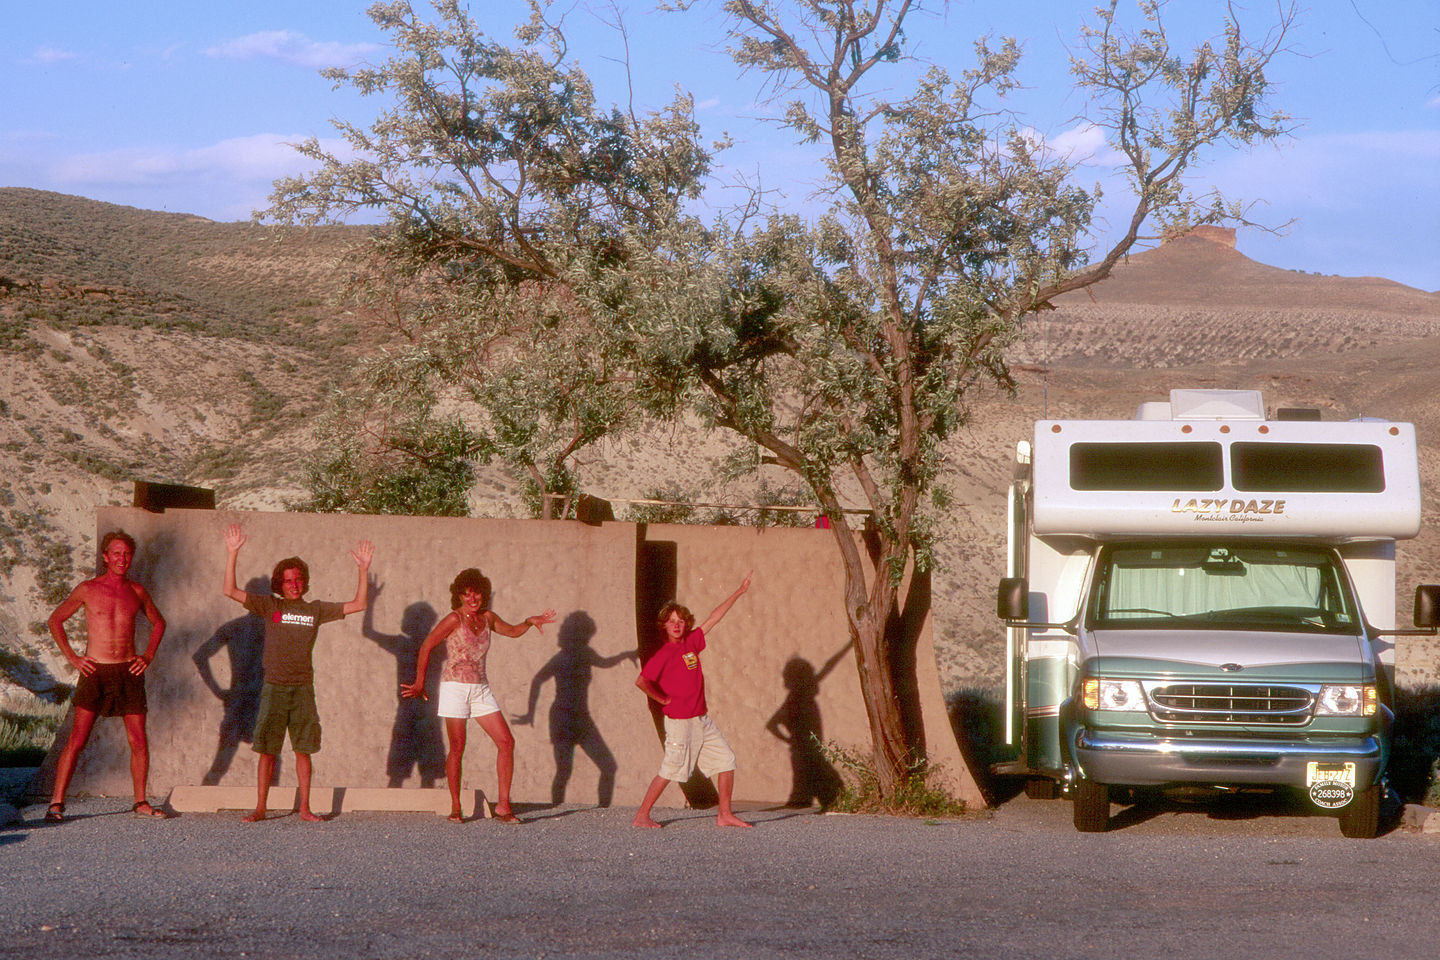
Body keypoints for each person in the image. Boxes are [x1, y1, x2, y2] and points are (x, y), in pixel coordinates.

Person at [221, 523, 373, 822]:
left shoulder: (315, 610)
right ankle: (261, 808)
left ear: (304, 582)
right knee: (267, 751)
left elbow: (359, 604)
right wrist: (232, 552)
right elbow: (229, 590)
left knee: (304, 750)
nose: (293, 584)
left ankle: (304, 808)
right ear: (280, 583)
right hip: (274, 688)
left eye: (298, 579)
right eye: (288, 580)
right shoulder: (270, 606)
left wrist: (363, 570)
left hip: (303, 689)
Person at [401, 568, 555, 823]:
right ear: (460, 596)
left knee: (506, 742)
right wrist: (419, 682)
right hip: (454, 688)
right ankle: (455, 807)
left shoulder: (488, 618)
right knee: (458, 747)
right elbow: (427, 645)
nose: (473, 600)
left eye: (478, 595)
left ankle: (504, 806)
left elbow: (512, 631)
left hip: (481, 688)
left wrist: (529, 622)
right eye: (468, 595)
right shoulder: (453, 619)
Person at [45, 530, 167, 822]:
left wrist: (148, 655)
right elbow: (55, 620)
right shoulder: (88, 589)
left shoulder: (137, 591)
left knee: (138, 740)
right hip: (96, 671)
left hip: (128, 671)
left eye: (126, 554)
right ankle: (56, 804)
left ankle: (140, 802)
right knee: (77, 739)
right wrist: (73, 658)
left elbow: (159, 622)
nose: (121, 559)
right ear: (105, 556)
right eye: (116, 553)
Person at [632, 572, 753, 829]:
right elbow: (642, 681)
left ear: (686, 624)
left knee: (726, 760)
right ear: (664, 626)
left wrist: (739, 591)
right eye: (671, 622)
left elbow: (713, 618)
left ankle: (724, 814)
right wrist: (662, 698)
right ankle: (642, 815)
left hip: (701, 719)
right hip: (680, 722)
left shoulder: (691, 643)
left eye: (680, 621)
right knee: (671, 768)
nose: (677, 625)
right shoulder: (664, 654)